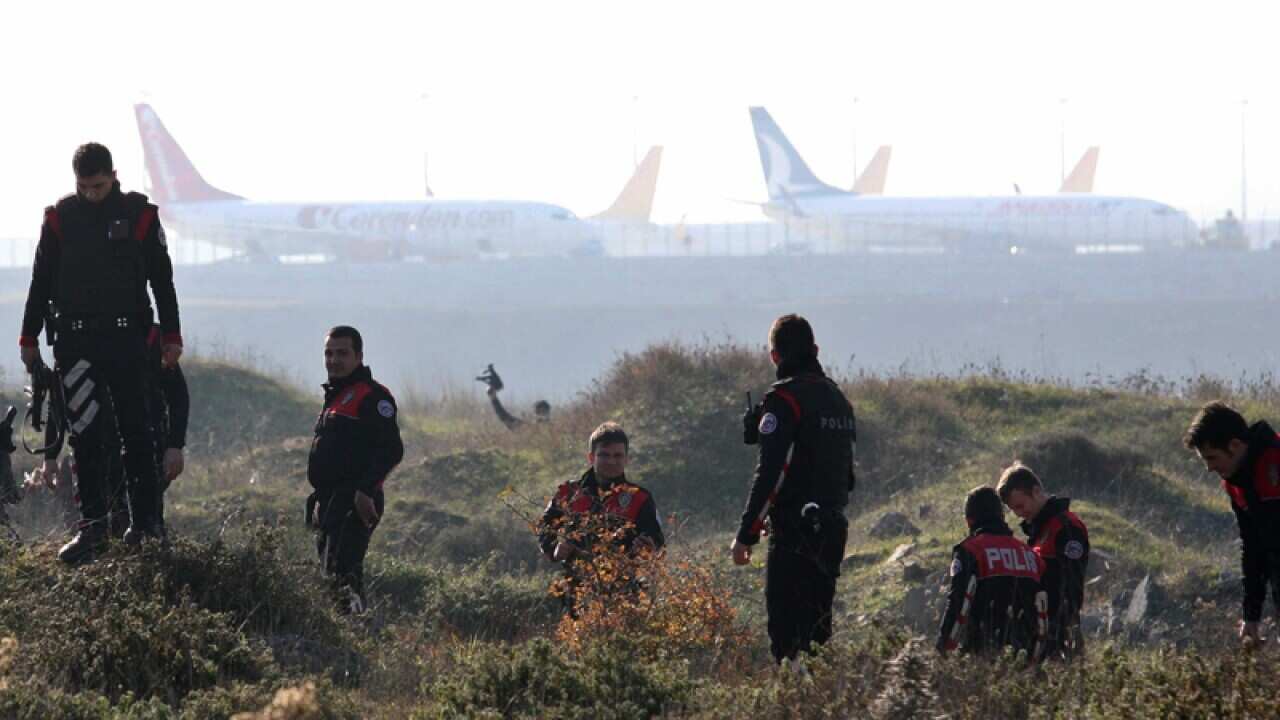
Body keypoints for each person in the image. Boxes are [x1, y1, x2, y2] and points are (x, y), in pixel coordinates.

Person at [19, 142, 182, 563]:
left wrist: (172, 335)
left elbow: (162, 281)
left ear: (113, 175)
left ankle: (146, 525)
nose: (92, 193)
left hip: (129, 341)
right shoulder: (58, 219)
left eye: (100, 185)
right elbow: (40, 280)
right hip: (76, 343)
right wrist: (28, 338)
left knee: (138, 433)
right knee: (85, 437)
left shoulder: (141, 216)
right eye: (85, 186)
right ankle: (92, 529)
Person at [730, 314, 856, 663]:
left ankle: (793, 706)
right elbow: (846, 475)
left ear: (774, 356)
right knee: (817, 636)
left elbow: (772, 471)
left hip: (795, 532)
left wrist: (747, 533)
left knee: (786, 639)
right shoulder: (838, 399)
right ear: (815, 349)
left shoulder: (784, 399)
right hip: (833, 528)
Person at [37, 322, 189, 538]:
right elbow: (60, 401)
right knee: (100, 520)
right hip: (97, 449)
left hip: (145, 442)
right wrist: (50, 455)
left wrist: (175, 445)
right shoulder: (74, 338)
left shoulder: (151, 337)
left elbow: (178, 396)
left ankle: (148, 553)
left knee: (147, 520)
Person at [307, 326, 403, 613]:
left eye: (342, 353)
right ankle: (346, 632)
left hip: (354, 500)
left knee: (343, 575)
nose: (334, 360)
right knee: (330, 575)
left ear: (359, 356)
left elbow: (392, 449)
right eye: (329, 353)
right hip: (330, 501)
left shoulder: (372, 396)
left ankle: (357, 634)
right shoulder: (337, 396)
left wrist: (365, 492)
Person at [537, 422, 664, 613]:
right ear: (591, 457)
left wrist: (647, 546)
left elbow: (657, 539)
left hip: (624, 590)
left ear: (626, 459)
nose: (611, 461)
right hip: (576, 590)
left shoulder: (640, 497)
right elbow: (544, 528)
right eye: (604, 455)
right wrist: (556, 547)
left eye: (618, 455)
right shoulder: (568, 492)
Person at [1183, 401, 1280, 645]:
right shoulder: (1236, 484)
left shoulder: (1275, 461)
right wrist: (1251, 615)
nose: (1209, 468)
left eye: (1212, 458)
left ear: (1235, 446)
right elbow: (1254, 547)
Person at [937, 486, 1046, 657]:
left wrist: (942, 648)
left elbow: (957, 602)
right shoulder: (1031, 556)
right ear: (1002, 517)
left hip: (983, 655)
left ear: (969, 521)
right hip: (1025, 660)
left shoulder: (970, 550)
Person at [997, 462, 1089, 659]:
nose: (1019, 513)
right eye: (1014, 510)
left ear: (1036, 491)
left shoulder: (1066, 527)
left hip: (1055, 633)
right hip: (1034, 629)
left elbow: (1072, 585)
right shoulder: (1038, 531)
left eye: (1021, 506)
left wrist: (1062, 630)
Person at [476, 364, 551, 430]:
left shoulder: (554, 433)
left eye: (543, 412)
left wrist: (493, 398)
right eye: (538, 412)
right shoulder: (528, 430)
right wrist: (493, 398)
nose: (541, 416)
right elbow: (505, 418)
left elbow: (505, 418)